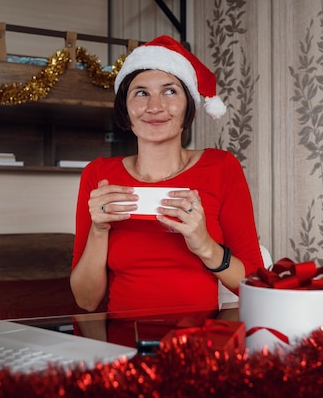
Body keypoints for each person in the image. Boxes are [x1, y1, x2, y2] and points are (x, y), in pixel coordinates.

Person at [70, 35, 263, 315]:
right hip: (125, 343)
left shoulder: (222, 167)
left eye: (170, 91)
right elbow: (86, 301)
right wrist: (99, 231)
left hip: (199, 345)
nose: (155, 106)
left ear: (189, 106)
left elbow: (256, 284)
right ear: (125, 108)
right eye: (141, 92)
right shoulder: (98, 175)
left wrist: (205, 245)